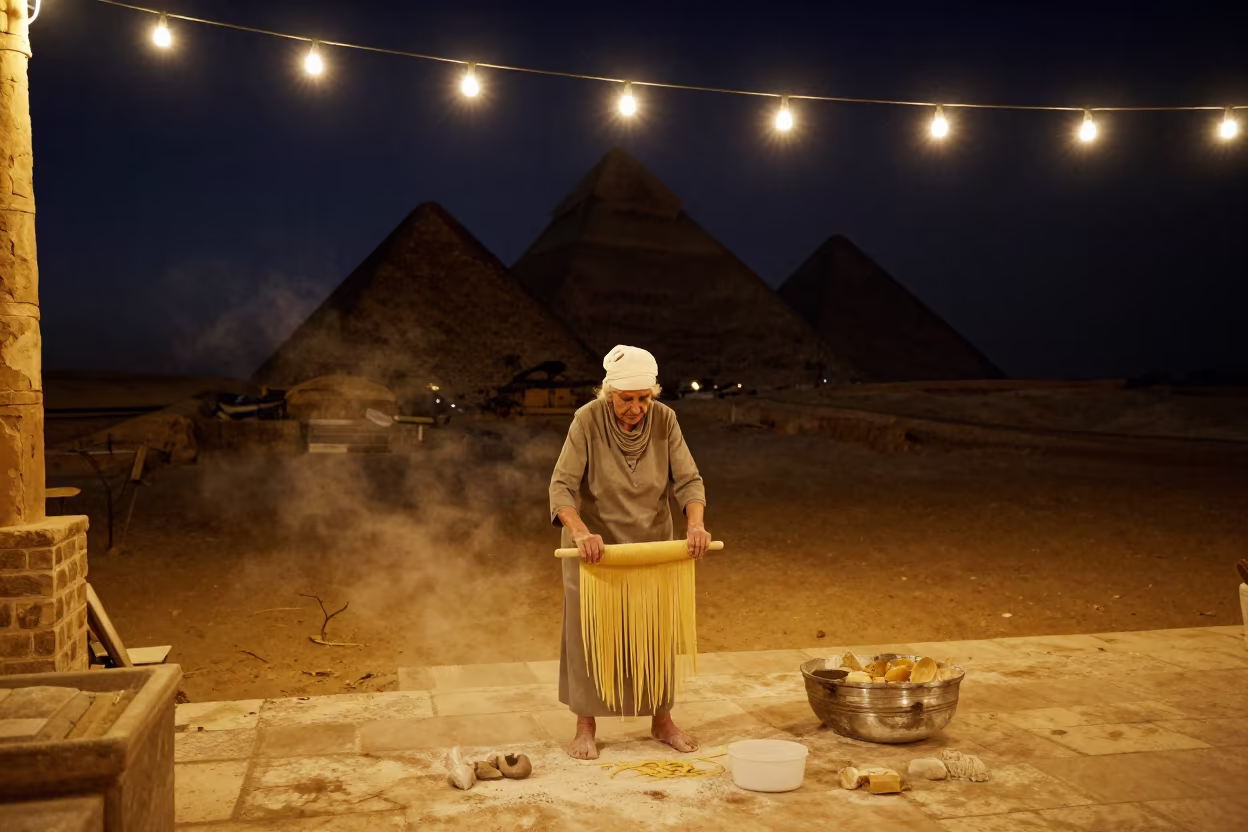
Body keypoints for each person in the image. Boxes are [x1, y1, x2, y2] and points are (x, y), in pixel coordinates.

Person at [549, 345, 710, 760]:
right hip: (596, 551)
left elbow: (688, 481)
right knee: (590, 635)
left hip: (652, 546)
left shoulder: (666, 419)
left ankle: (661, 720)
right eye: (627, 400)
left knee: (653, 634)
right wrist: (581, 532)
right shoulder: (586, 419)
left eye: (644, 399)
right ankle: (586, 725)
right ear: (608, 394)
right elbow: (562, 488)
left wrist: (695, 526)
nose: (636, 408)